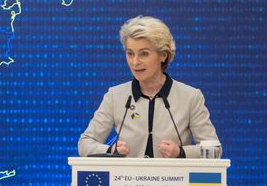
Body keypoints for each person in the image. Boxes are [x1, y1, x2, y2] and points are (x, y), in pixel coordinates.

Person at [78, 15, 220, 158]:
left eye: (144, 54)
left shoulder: (190, 97)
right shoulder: (115, 96)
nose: (135, 62)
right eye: (130, 53)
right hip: (126, 179)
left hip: (173, 179)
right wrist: (110, 150)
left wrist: (181, 152)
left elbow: (214, 150)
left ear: (163, 55)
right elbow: (85, 144)